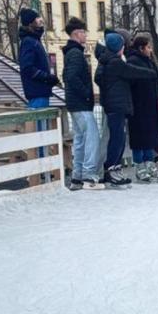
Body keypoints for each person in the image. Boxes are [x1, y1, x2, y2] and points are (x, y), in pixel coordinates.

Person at [93, 31, 157, 187]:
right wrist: (151, 73)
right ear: (118, 48)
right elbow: (132, 71)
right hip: (116, 106)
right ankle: (110, 169)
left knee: (119, 139)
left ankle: (114, 167)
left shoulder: (109, 61)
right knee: (117, 139)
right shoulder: (115, 62)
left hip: (117, 105)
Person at [62, 17, 103, 190]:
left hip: (74, 103)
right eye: (84, 32)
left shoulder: (70, 53)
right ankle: (88, 175)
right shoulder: (76, 54)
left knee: (80, 139)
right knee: (92, 137)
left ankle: (77, 176)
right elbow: (70, 77)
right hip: (80, 103)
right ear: (77, 33)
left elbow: (67, 76)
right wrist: (87, 94)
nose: (86, 35)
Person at [127, 35, 158, 182]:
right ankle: (139, 165)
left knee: (150, 135)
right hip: (138, 105)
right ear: (141, 48)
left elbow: (157, 79)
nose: (150, 50)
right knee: (139, 137)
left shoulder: (149, 62)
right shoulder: (133, 62)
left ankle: (149, 163)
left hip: (150, 104)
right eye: (148, 47)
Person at [17, 7, 58, 108]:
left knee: (42, 122)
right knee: (39, 122)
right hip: (37, 94)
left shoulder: (34, 40)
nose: (41, 20)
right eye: (37, 18)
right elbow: (27, 68)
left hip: (40, 92)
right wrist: (46, 78)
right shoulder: (29, 42)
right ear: (31, 22)